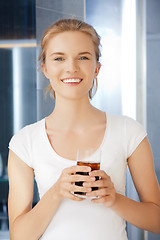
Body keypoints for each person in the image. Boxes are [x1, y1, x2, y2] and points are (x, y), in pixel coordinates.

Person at [8, 18, 160, 240]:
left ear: (96, 68)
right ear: (45, 68)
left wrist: (115, 199)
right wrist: (57, 191)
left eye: (83, 57)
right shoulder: (25, 142)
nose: (71, 67)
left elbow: (156, 221)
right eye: (59, 58)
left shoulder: (129, 132)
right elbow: (18, 236)